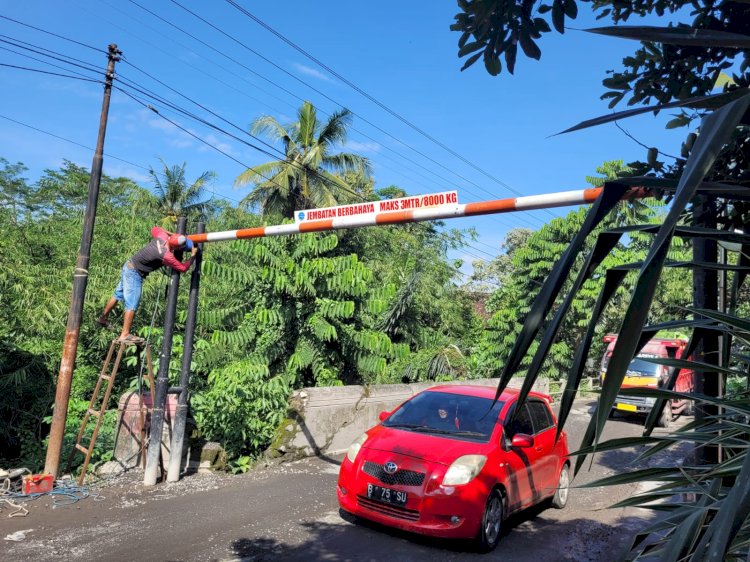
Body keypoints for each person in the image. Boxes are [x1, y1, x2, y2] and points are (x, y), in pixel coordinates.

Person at [97, 226, 198, 343]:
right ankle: (125, 334)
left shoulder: (162, 237)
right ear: (176, 247)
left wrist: (173, 235)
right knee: (132, 303)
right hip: (135, 273)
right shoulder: (166, 255)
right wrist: (193, 255)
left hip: (128, 266)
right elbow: (183, 268)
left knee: (117, 295)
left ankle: (103, 319)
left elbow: (155, 228)